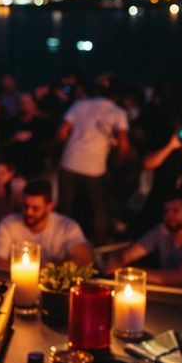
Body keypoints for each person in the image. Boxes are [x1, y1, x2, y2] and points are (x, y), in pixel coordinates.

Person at [57, 80, 130, 244]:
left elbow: (62, 133)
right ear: (117, 96)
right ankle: (98, 246)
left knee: (65, 209)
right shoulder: (118, 112)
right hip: (94, 168)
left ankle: (58, 242)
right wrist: (118, 164)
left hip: (69, 162)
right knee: (98, 209)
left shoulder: (79, 105)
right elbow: (124, 145)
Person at [0, 180, 92, 270]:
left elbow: (84, 259)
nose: (29, 212)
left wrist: (40, 271)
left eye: (35, 208)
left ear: (49, 207)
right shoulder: (8, 224)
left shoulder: (67, 227)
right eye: (25, 206)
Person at [106, 193, 182, 288]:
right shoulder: (162, 230)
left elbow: (178, 278)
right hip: (167, 293)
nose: (169, 215)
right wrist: (115, 260)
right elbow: (127, 256)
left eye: (176, 211)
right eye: (166, 211)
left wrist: (128, 272)